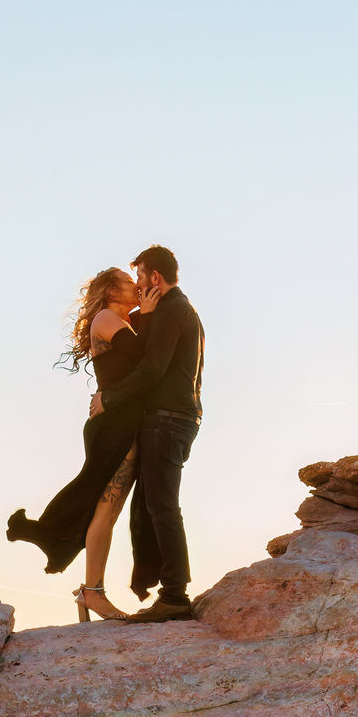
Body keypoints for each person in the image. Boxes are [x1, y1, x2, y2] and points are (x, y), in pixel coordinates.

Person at [5, 266, 161, 621]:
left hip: (118, 421)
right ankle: (93, 592)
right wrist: (149, 316)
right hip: (113, 424)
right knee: (105, 508)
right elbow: (143, 359)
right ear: (110, 291)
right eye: (128, 282)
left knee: (103, 505)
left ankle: (84, 583)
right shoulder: (107, 317)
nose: (136, 287)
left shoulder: (122, 318)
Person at [100, 244, 204, 623]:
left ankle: (174, 595)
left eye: (140, 276)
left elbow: (150, 369)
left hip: (168, 419)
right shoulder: (178, 309)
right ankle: (169, 590)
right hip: (176, 417)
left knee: (162, 507)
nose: (139, 283)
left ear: (154, 277)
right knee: (156, 506)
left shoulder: (172, 310)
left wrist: (107, 399)